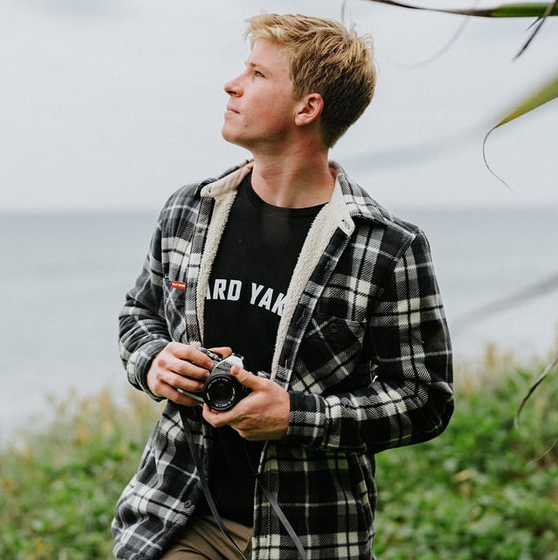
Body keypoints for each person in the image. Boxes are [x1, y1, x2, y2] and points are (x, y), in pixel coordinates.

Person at [112, 13, 454, 560]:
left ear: (307, 108)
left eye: (256, 74)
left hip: (311, 534)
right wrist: (154, 362)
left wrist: (295, 416)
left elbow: (425, 401)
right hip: (178, 514)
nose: (232, 84)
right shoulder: (189, 209)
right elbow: (138, 314)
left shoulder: (388, 248)